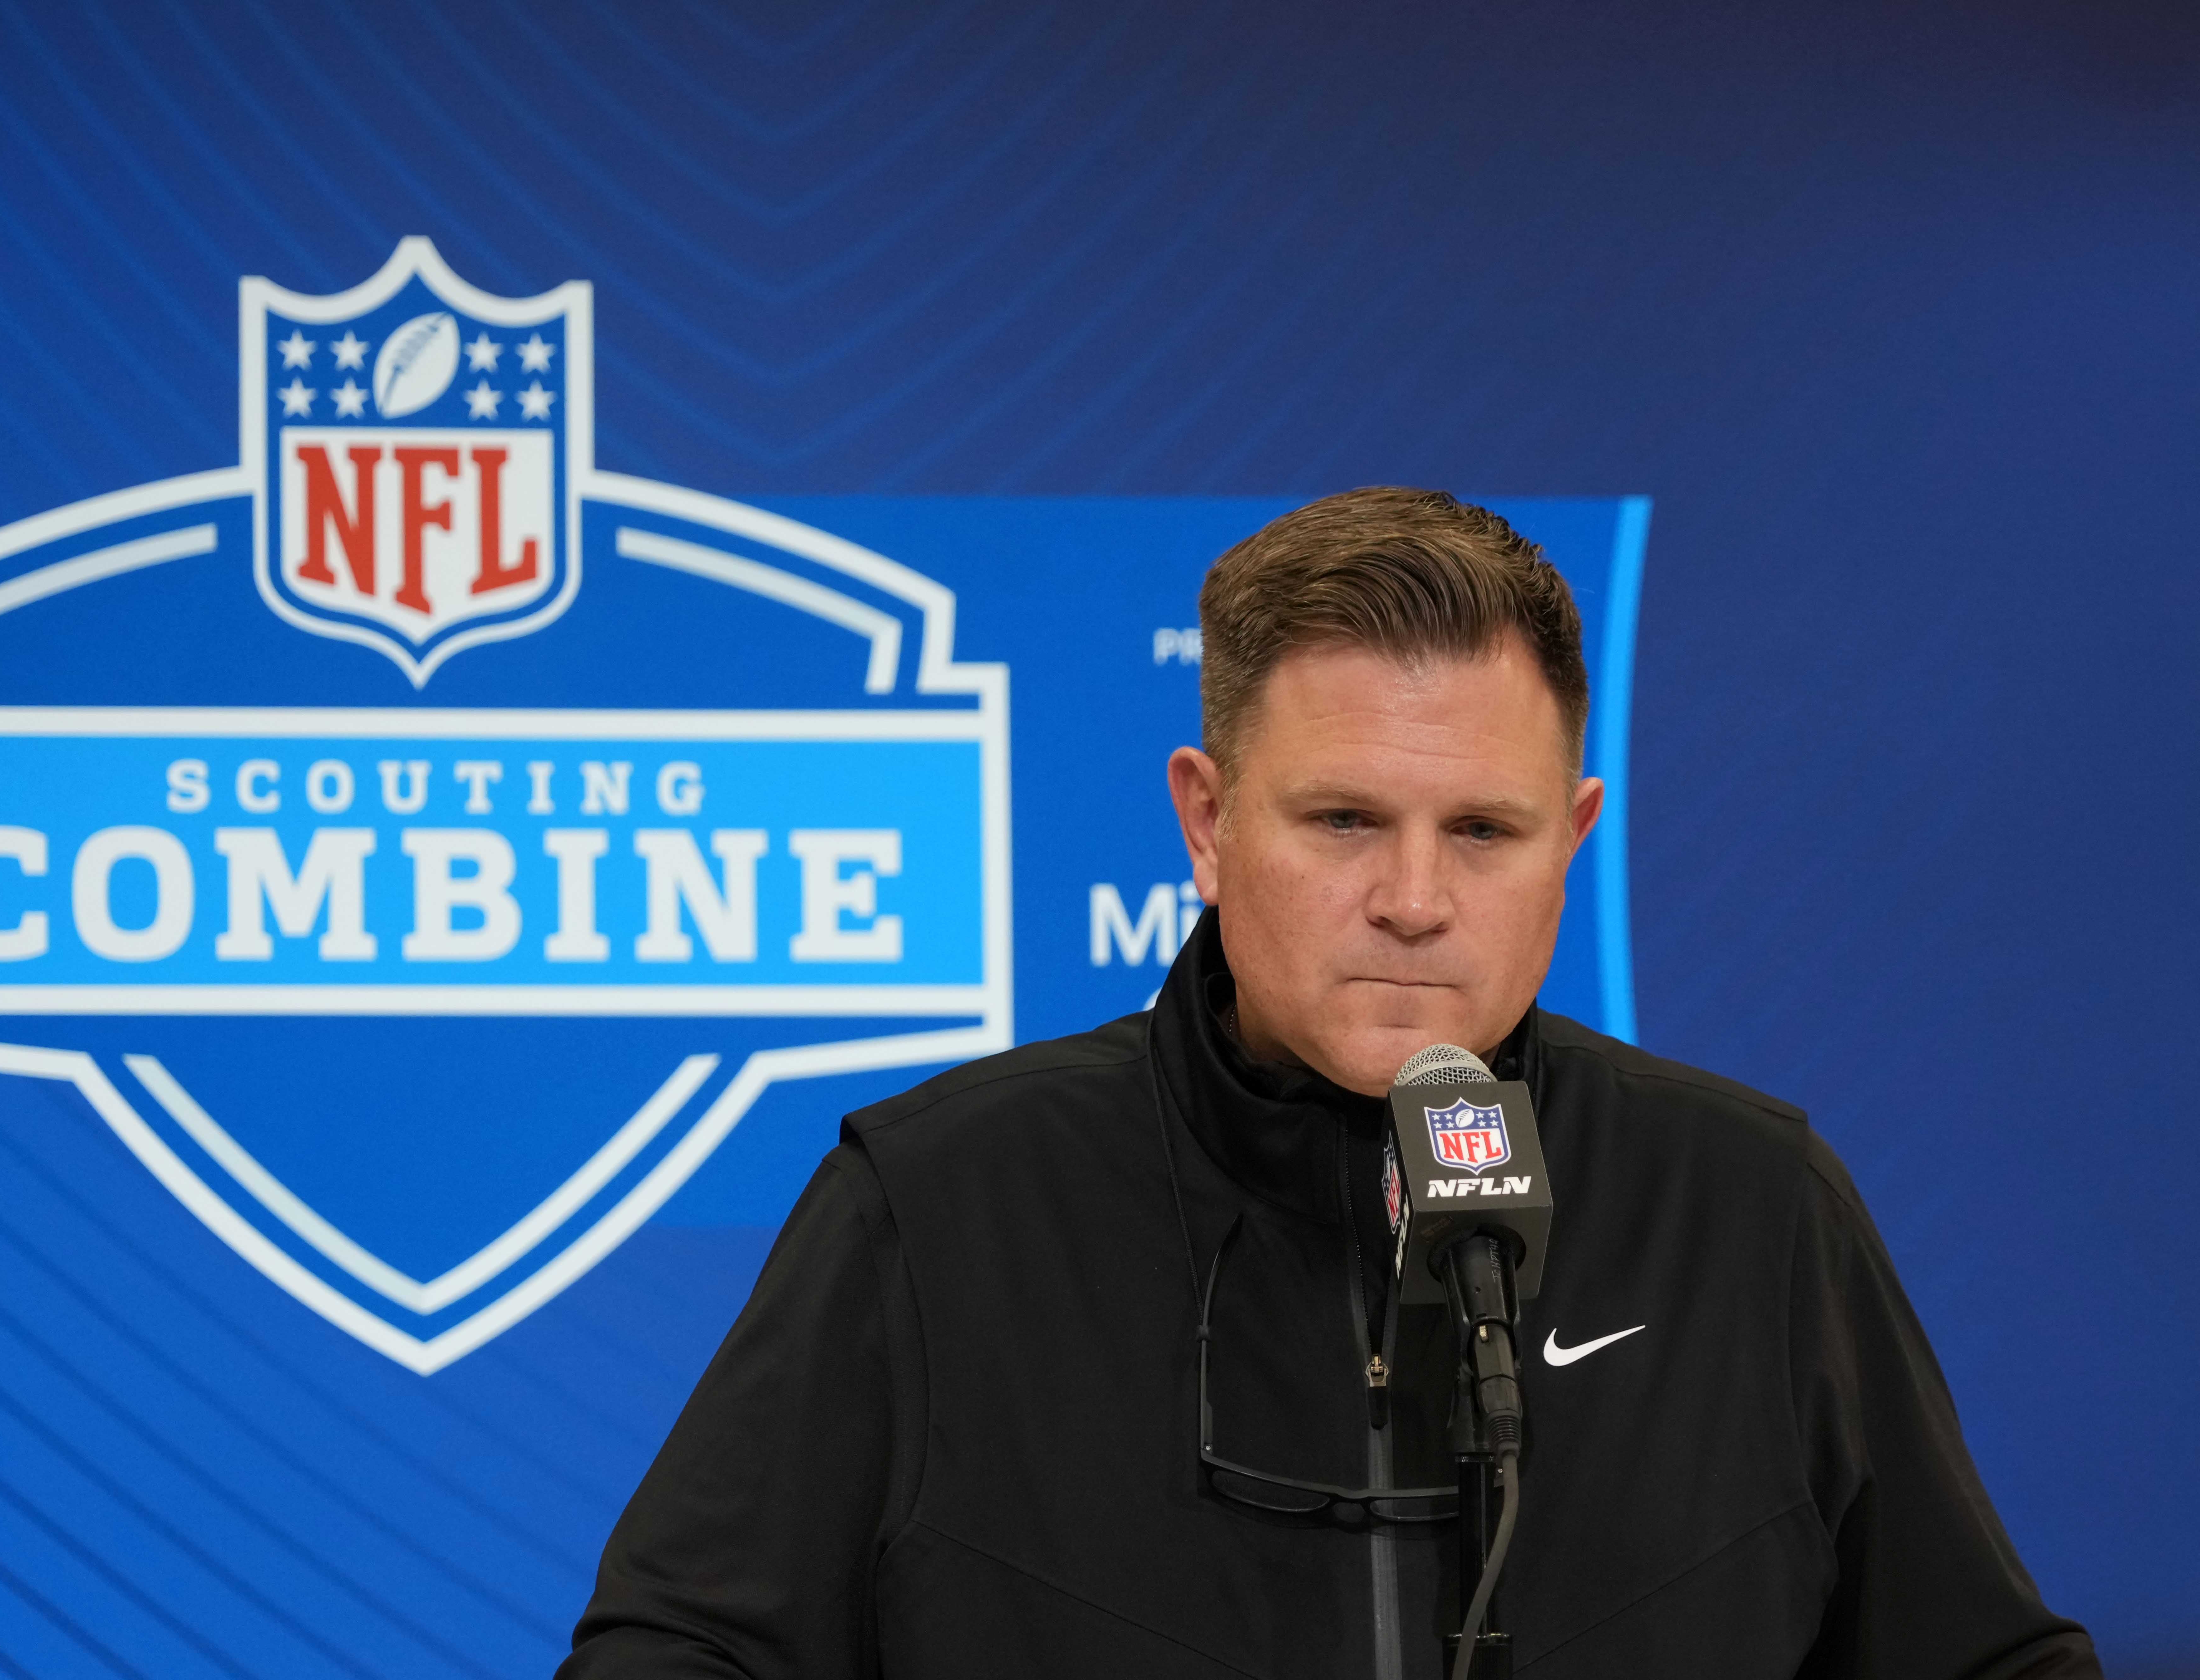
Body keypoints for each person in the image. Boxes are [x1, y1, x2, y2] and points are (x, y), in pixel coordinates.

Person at [557, 489, 2098, 1678]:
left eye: (1483, 832)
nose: (1416, 897)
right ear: (1210, 821)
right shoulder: (945, 1202)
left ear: (1572, 841)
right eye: (1346, 819)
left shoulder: (1751, 1208)